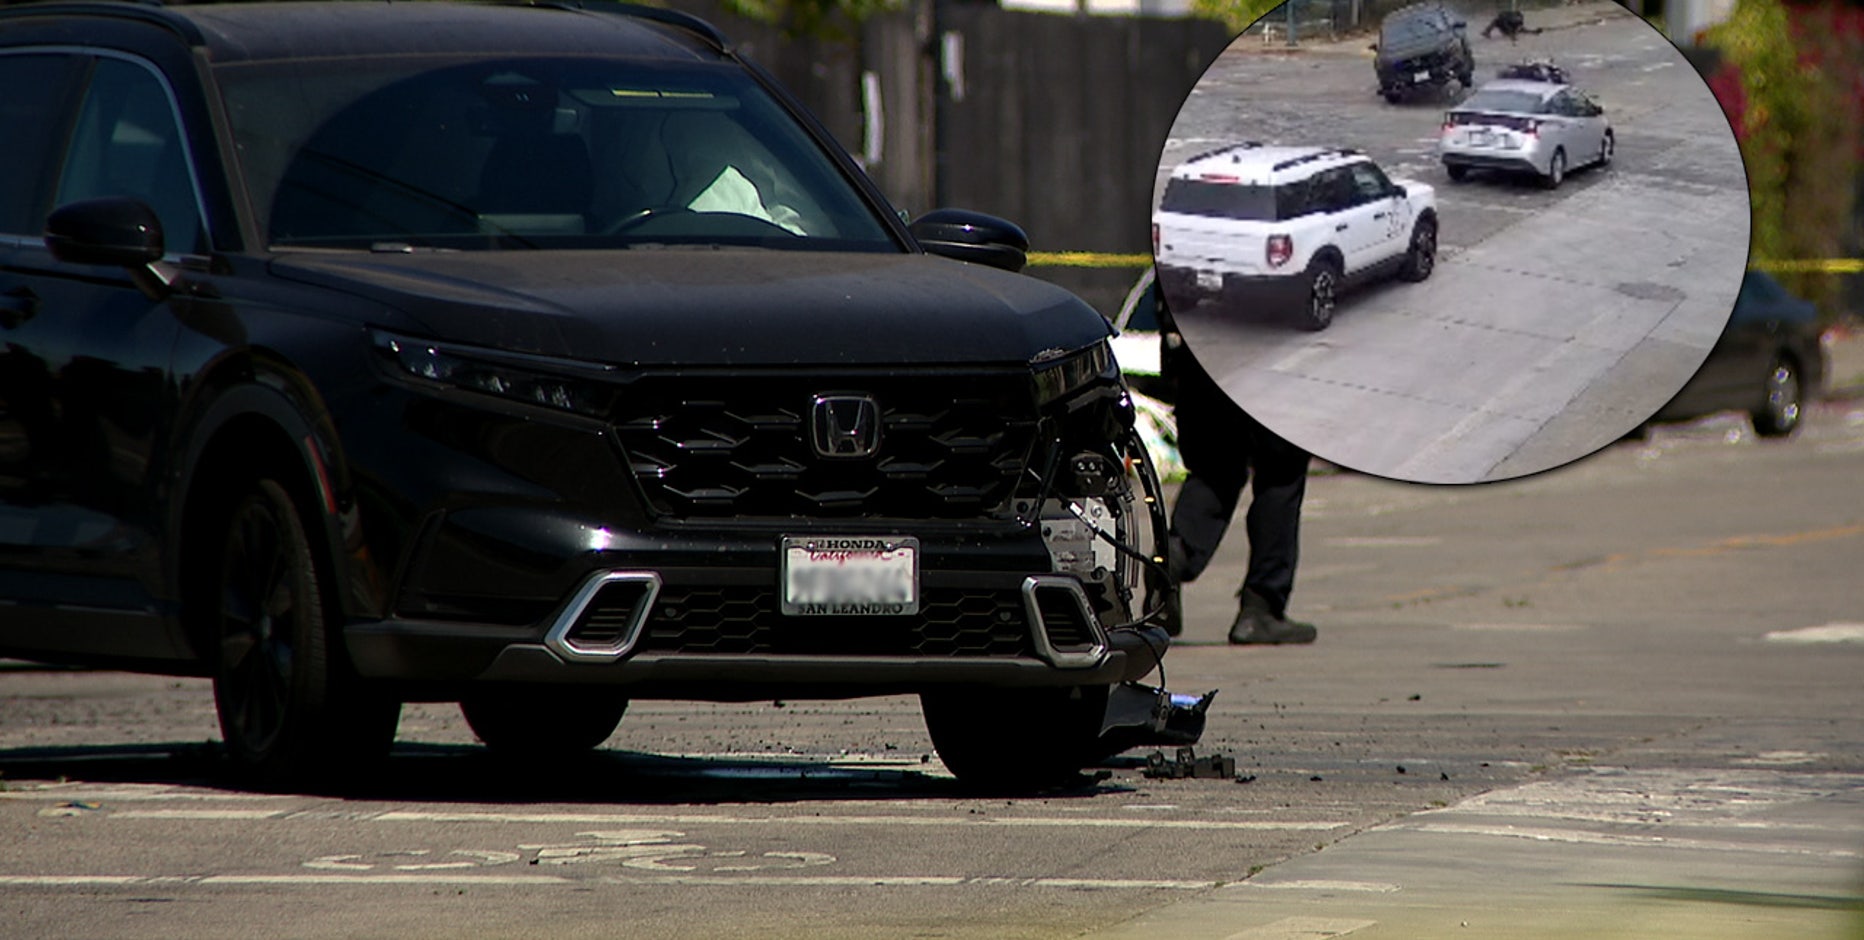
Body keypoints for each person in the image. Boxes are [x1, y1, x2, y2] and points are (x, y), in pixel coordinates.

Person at [1154, 287, 1318, 645]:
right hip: (1270, 355)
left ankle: (1174, 558)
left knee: (1214, 470)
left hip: (1200, 351)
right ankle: (1261, 608)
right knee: (1281, 475)